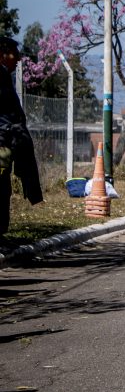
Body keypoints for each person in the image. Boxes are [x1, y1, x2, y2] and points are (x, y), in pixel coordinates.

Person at [0, 37, 42, 244]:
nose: (17, 59)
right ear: (2, 54)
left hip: (8, 142)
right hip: (2, 143)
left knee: (4, 190)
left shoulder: (4, 76)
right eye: (13, 54)